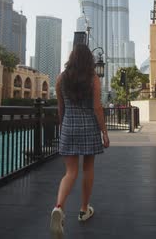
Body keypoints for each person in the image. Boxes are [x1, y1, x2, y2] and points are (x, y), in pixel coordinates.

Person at [50, 44, 110, 237]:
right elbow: (97, 108)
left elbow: (61, 109)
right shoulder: (93, 79)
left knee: (70, 172)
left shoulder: (61, 78)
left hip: (68, 126)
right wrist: (104, 132)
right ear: (88, 60)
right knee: (88, 168)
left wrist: (63, 128)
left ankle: (59, 207)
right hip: (89, 128)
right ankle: (84, 209)